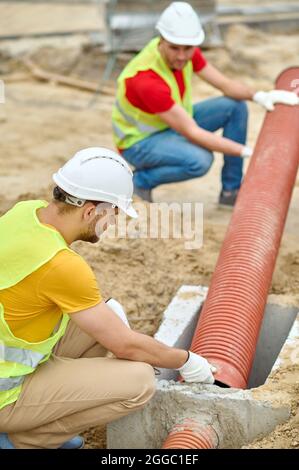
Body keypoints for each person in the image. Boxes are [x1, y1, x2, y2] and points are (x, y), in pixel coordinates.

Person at [0, 147, 216, 449]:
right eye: (112, 213)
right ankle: (23, 440)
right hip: (4, 395)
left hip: (9, 354)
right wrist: (186, 360)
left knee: (104, 321)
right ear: (90, 211)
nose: (112, 223)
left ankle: (40, 414)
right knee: (139, 382)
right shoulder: (62, 265)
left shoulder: (26, 212)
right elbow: (123, 344)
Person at [112, 2, 299, 206]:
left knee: (234, 106)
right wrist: (248, 152)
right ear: (162, 40)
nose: (182, 56)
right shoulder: (146, 80)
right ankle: (139, 181)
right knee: (200, 160)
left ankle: (231, 191)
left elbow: (225, 85)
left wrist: (260, 96)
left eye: (188, 49)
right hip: (139, 143)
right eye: (175, 48)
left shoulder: (184, 52)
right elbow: (193, 132)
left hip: (171, 123)